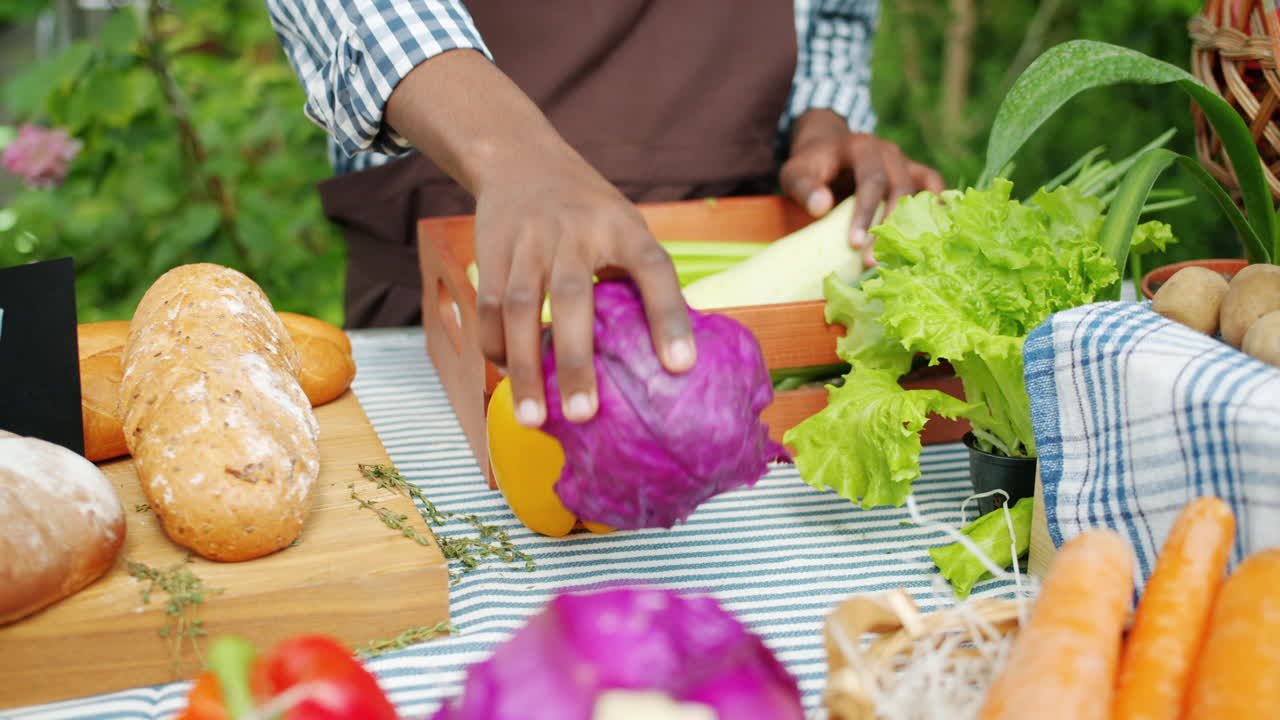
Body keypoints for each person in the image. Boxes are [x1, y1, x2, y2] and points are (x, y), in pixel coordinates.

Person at [266, 0, 944, 430]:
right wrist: (510, 152)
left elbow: (831, 18)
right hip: (462, 326)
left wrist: (822, 123)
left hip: (766, 352)